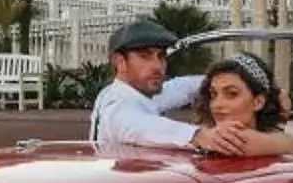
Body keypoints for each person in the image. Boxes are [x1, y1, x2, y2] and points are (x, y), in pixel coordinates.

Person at [88, 18, 249, 155]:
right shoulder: (117, 105)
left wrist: (228, 80)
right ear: (120, 62)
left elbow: (181, 87)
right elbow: (139, 126)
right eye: (145, 56)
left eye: (161, 56)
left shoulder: (137, 93)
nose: (157, 66)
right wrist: (201, 136)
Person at [192, 50, 293, 157]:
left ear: (258, 102)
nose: (217, 104)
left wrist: (198, 136)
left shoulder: (286, 144)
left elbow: (238, 141)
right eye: (213, 95)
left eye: (232, 94)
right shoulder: (202, 137)